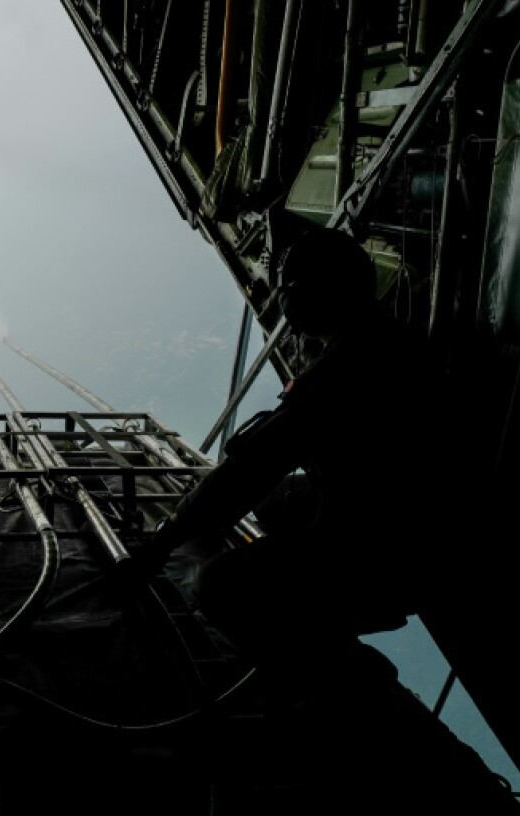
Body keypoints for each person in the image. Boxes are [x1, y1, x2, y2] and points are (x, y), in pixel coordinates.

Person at [143, 225, 460, 670]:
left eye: (289, 288)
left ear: (321, 288)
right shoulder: (394, 343)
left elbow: (255, 465)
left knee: (219, 585)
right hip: (420, 530)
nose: (284, 300)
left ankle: (326, 665)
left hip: (386, 551)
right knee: (276, 503)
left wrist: (161, 545)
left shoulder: (346, 367)